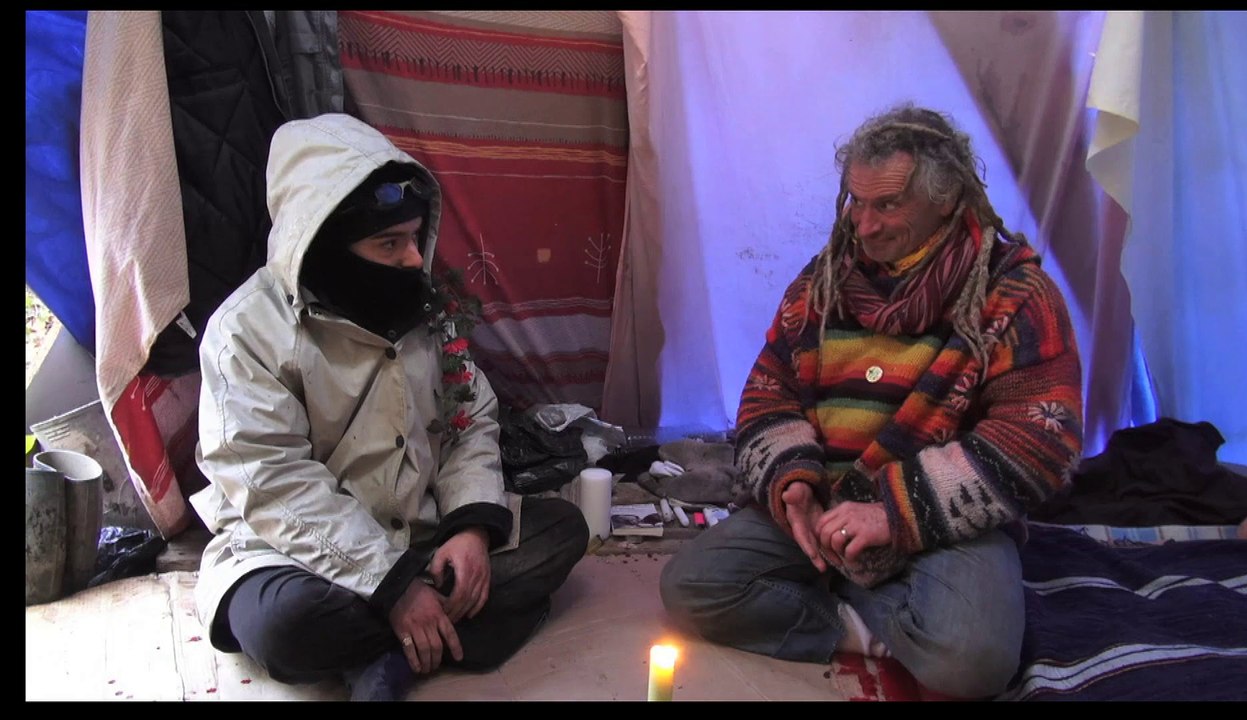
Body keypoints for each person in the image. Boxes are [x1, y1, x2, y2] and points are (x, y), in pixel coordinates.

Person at [659, 103, 1084, 699]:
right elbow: (767, 393)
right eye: (856, 201)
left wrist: (894, 514)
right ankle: (867, 618)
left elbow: (1042, 439)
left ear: (946, 199)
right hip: (826, 505)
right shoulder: (823, 282)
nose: (865, 224)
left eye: (887, 205)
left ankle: (867, 591)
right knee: (691, 588)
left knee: (974, 665)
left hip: (942, 524)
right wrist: (792, 483)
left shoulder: (1013, 293)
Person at [189, 113, 589, 702]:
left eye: (412, 237)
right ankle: (431, 632)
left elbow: (469, 421)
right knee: (284, 626)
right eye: (387, 243)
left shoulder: (425, 309)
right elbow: (272, 480)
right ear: (326, 242)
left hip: (420, 534)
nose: (410, 259)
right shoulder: (246, 333)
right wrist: (391, 584)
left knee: (563, 531)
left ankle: (393, 646)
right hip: (292, 553)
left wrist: (472, 527)